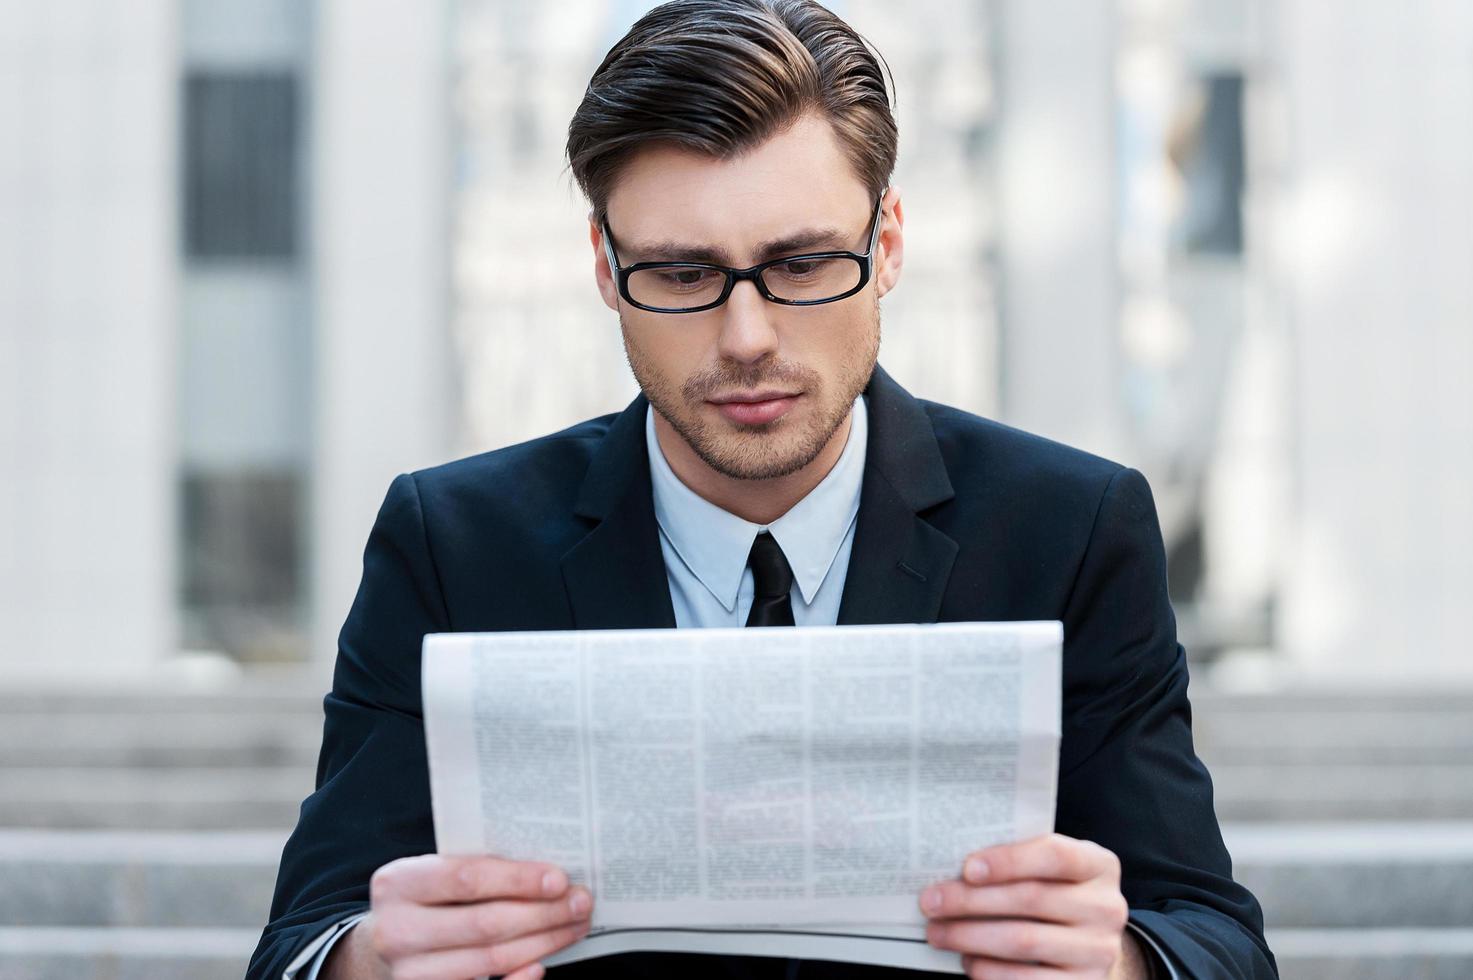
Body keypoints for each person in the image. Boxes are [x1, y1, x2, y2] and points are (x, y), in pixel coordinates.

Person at [248, 1, 1276, 978]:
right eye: (684, 274)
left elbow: (1215, 935)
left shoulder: (1071, 529)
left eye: (801, 263)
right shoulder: (451, 541)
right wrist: (376, 956)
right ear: (606, 269)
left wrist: (1117, 958)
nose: (748, 337)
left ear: (890, 245)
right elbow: (303, 936)